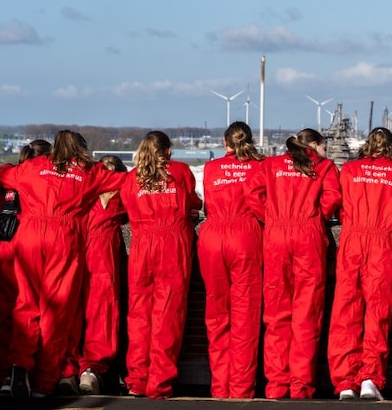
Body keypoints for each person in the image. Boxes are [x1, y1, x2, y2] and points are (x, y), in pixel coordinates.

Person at [0, 130, 126, 399]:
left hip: (29, 235)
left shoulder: (34, 166)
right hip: (64, 238)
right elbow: (126, 180)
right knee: (56, 309)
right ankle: (45, 381)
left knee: (25, 304)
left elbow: (4, 174)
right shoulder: (88, 172)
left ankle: (18, 367)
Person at [248, 128, 342, 399]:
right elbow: (333, 197)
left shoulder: (271, 165)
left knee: (276, 313)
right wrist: (315, 218)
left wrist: (272, 217)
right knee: (307, 313)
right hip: (307, 235)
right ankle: (301, 384)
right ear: (313, 144)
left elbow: (252, 193)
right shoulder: (323, 167)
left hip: (276, 234)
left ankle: (277, 384)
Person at [120, 131, 202, 399]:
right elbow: (192, 201)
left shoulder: (132, 177)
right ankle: (159, 382)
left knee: (138, 314)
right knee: (168, 314)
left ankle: (137, 379)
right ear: (167, 150)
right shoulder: (180, 171)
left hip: (142, 246)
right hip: (172, 245)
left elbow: (127, 205)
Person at [329, 127, 392, 401]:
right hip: (382, 243)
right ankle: (370, 380)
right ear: (391, 148)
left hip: (352, 241)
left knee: (345, 312)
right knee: (378, 313)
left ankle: (345, 382)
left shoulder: (349, 170)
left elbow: (338, 208)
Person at [196, 122, 265, 398]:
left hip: (213, 236)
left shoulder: (211, 168)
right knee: (244, 316)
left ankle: (220, 386)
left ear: (225, 143)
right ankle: (240, 388)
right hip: (245, 235)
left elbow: (206, 205)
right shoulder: (259, 166)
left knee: (216, 314)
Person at [0, 140, 49, 394]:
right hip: (29, 246)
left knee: (5, 312)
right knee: (33, 310)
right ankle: (27, 369)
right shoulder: (39, 179)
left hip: (3, 246)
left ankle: (7, 372)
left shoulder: (8, 174)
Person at [73, 155, 128, 395]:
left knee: (77, 311)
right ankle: (92, 368)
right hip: (102, 254)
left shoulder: (86, 193)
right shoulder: (121, 196)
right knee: (102, 311)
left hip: (80, 251)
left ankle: (71, 367)